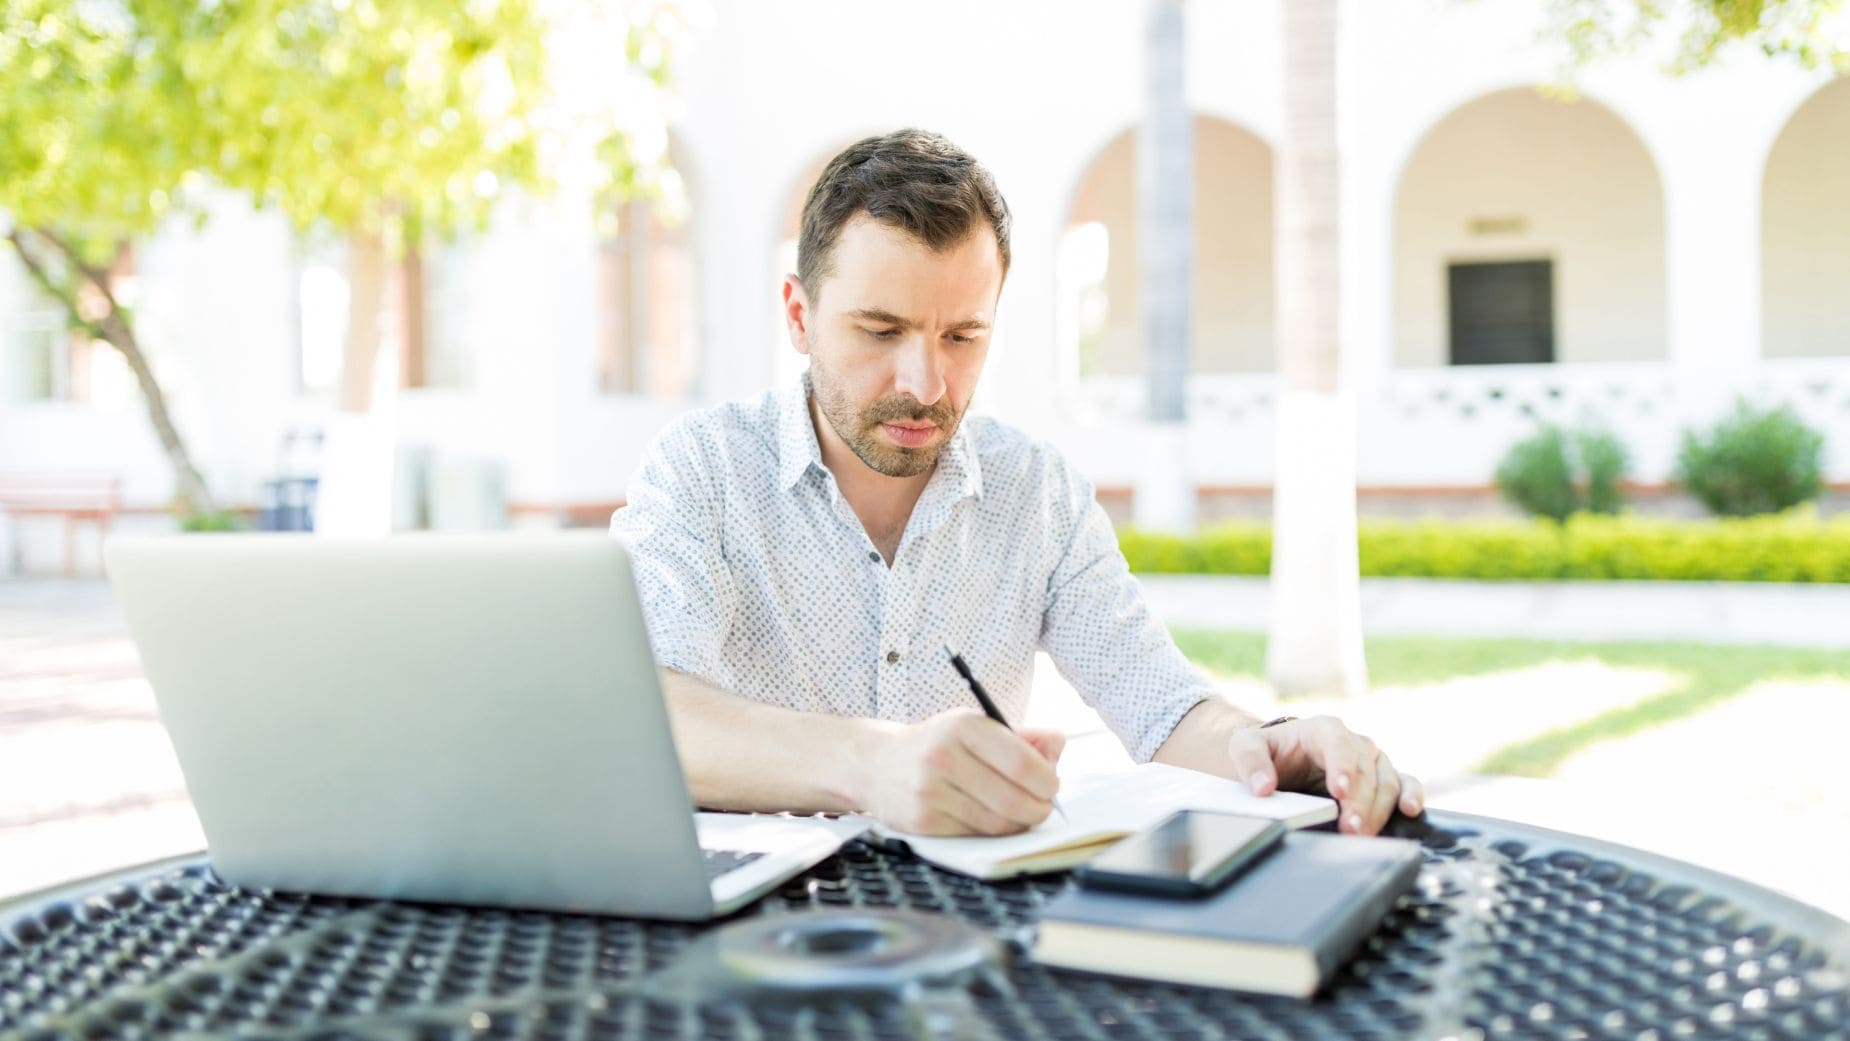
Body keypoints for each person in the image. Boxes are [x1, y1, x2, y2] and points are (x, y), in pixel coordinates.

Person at [611, 128, 1423, 838]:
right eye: (880, 330)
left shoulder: (1037, 493)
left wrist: (1266, 743)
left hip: (971, 937)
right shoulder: (701, 472)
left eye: (962, 334)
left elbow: (1160, 704)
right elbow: (643, 715)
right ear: (797, 315)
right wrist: (873, 765)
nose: (926, 382)